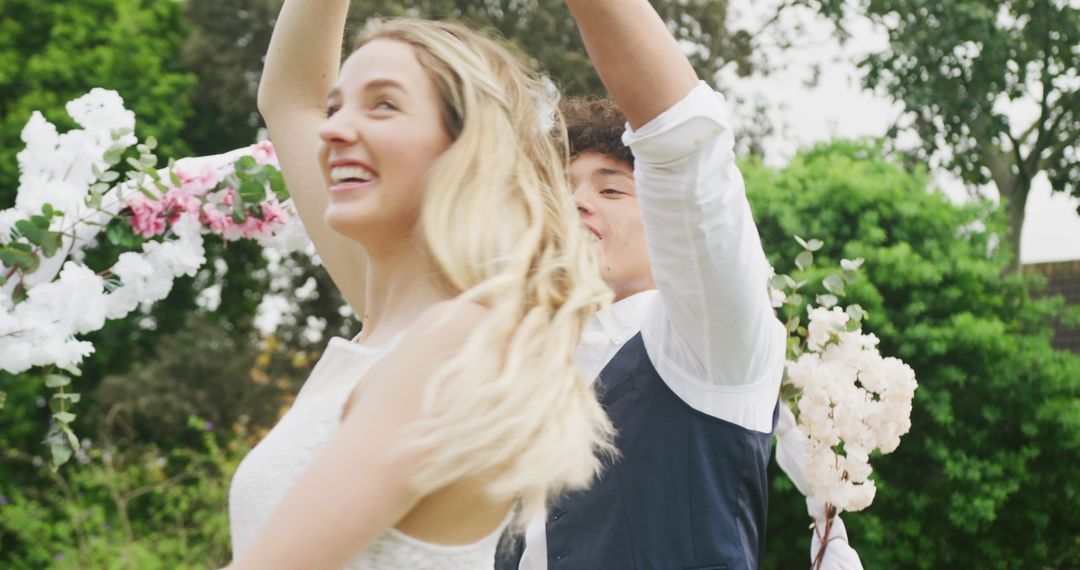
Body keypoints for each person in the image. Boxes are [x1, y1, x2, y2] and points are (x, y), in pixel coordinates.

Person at [224, 1, 615, 568]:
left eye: (383, 105)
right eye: (336, 108)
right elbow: (290, 100)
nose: (335, 129)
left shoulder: (456, 342)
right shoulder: (393, 331)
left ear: (464, 148)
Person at [495, 1, 860, 568]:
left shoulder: (707, 340)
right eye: (562, 190)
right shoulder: (518, 366)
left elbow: (684, 150)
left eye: (611, 190)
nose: (576, 202)